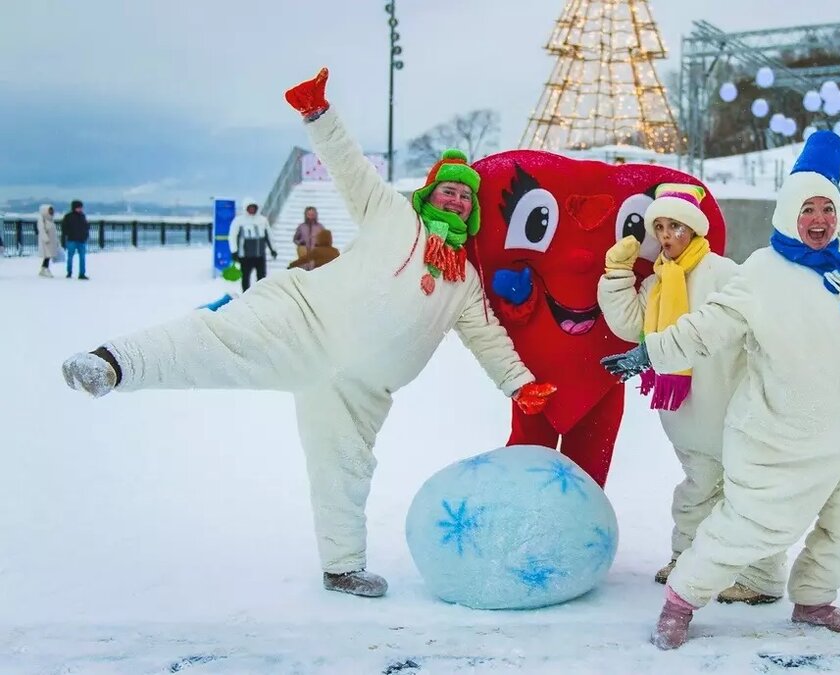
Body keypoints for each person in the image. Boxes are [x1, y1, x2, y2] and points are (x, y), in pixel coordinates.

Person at [60, 66, 557, 599]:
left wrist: (518, 383)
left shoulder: (466, 281)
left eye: (465, 197)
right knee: (214, 339)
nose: (456, 200)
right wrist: (319, 114)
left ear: (473, 210)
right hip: (302, 320)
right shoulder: (391, 214)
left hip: (358, 390)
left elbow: (487, 337)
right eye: (449, 192)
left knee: (344, 468)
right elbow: (349, 167)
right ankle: (112, 364)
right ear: (429, 194)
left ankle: (342, 568)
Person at [602, 85, 840, 649]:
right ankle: (682, 600)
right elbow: (707, 326)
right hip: (789, 434)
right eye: (807, 209)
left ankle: (815, 599)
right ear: (789, 214)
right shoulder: (761, 273)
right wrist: (649, 353)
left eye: (827, 208)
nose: (820, 219)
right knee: (753, 525)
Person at [597, 183, 785, 605]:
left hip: (733, 410)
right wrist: (617, 274)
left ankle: (761, 578)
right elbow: (631, 326)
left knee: (748, 494)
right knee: (696, 492)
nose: (666, 235)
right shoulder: (658, 281)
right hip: (686, 415)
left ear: (694, 230)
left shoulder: (725, 273)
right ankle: (687, 560)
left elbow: (758, 328)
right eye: (660, 227)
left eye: (675, 227)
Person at [229, 198, 276, 291]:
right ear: (245, 208)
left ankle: (260, 294)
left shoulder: (262, 220)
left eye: (253, 208)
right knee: (245, 277)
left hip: (259, 255)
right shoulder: (238, 221)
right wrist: (234, 251)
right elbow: (232, 236)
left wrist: (273, 249)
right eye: (249, 208)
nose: (252, 210)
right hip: (245, 255)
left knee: (261, 277)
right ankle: (246, 294)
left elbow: (269, 236)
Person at [62, 200, 90, 280]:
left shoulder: (82, 216)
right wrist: (68, 233)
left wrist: (85, 235)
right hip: (72, 239)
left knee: (82, 257)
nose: (80, 209)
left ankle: (82, 273)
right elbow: (64, 227)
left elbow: (86, 226)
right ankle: (69, 272)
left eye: (81, 207)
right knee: (70, 257)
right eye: (79, 207)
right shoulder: (68, 216)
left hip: (81, 240)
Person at [36, 204, 61, 278]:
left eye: (51, 210)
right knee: (47, 255)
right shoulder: (42, 219)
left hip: (51, 241)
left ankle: (44, 268)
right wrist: (45, 238)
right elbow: (41, 229)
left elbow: (53, 232)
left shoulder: (50, 219)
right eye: (49, 210)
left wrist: (57, 241)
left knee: (48, 256)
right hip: (46, 241)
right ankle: (45, 269)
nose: (51, 212)